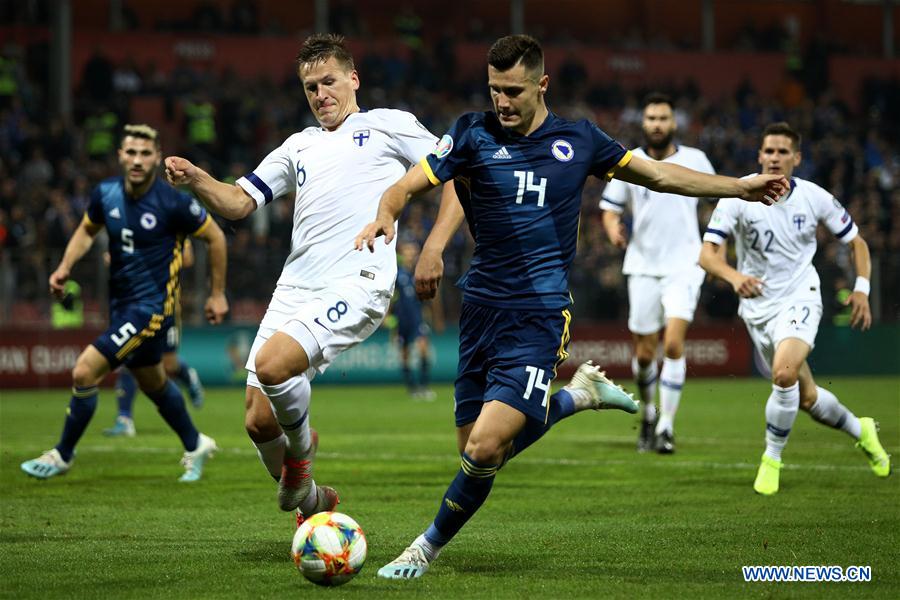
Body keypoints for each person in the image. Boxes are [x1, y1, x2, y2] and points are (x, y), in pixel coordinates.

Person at [355, 34, 788, 579]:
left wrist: (738, 187)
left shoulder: (579, 140)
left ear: (542, 84)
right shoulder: (470, 132)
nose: (502, 103)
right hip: (480, 310)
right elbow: (407, 184)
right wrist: (386, 214)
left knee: (487, 449)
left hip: (538, 314)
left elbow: (657, 174)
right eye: (494, 90)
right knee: (473, 449)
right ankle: (577, 397)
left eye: (513, 91)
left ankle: (423, 547)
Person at [163, 33, 455, 521]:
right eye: (310, 87)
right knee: (258, 421)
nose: (320, 94)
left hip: (358, 280)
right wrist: (196, 178)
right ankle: (317, 501)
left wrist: (434, 248)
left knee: (276, 367)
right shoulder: (298, 146)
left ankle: (301, 456)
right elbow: (238, 202)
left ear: (353, 79)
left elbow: (455, 174)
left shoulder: (389, 125)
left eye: (329, 82)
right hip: (295, 286)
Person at [21, 124, 229, 482]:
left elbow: (215, 237)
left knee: (84, 371)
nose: (137, 160)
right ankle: (196, 443)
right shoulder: (106, 194)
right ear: (120, 155)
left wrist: (216, 293)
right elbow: (87, 230)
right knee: (153, 382)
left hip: (151, 309)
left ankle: (62, 454)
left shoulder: (173, 202)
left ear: (157, 157)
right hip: (121, 305)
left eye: (145, 153)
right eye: (130, 152)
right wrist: (64, 267)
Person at [699, 121, 891, 495]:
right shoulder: (737, 196)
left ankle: (772, 459)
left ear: (796, 158)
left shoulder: (815, 197)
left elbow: (858, 243)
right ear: (759, 156)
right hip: (757, 308)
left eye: (782, 151)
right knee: (806, 397)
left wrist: (862, 289)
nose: (774, 157)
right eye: (768, 150)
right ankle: (860, 429)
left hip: (801, 295)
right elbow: (707, 256)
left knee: (783, 374)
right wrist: (734, 277)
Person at [600, 92, 716, 454]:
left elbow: (718, 203)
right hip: (643, 265)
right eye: (651, 118)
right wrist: (612, 229)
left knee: (674, 344)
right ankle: (648, 413)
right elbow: (609, 208)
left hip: (685, 264)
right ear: (644, 122)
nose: (657, 124)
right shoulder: (630, 161)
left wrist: (716, 246)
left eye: (663, 118)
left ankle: (666, 427)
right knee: (646, 354)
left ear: (674, 123)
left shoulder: (696, 159)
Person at [104, 238, 206, 438]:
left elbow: (187, 258)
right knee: (128, 358)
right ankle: (124, 419)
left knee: (168, 365)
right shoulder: (128, 224)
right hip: (134, 305)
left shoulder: (172, 223)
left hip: (165, 307)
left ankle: (186, 374)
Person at [393, 241, 435, 399]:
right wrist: (389, 319)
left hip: (417, 318)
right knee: (404, 354)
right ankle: (412, 388)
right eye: (407, 251)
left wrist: (429, 318)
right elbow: (391, 298)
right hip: (402, 319)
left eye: (412, 251)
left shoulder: (419, 273)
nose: (410, 254)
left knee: (424, 349)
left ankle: (424, 387)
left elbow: (426, 301)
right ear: (402, 254)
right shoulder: (397, 274)